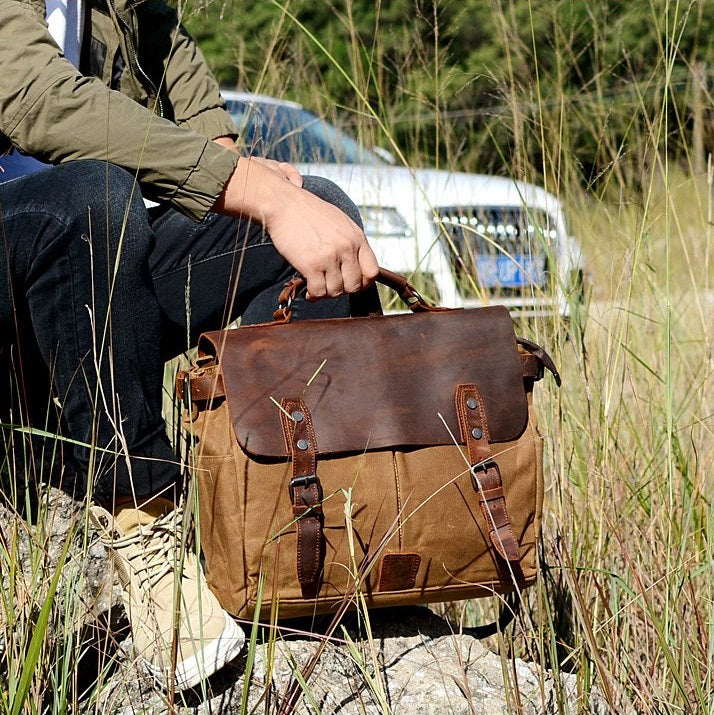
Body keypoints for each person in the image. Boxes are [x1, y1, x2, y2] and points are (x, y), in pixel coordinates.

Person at [0, 0, 379, 691]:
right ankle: (144, 524)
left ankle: (274, 529)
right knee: (92, 199)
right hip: (31, 250)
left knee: (317, 214)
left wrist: (243, 172)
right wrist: (251, 189)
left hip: (86, 268)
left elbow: (170, 51)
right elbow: (38, 99)